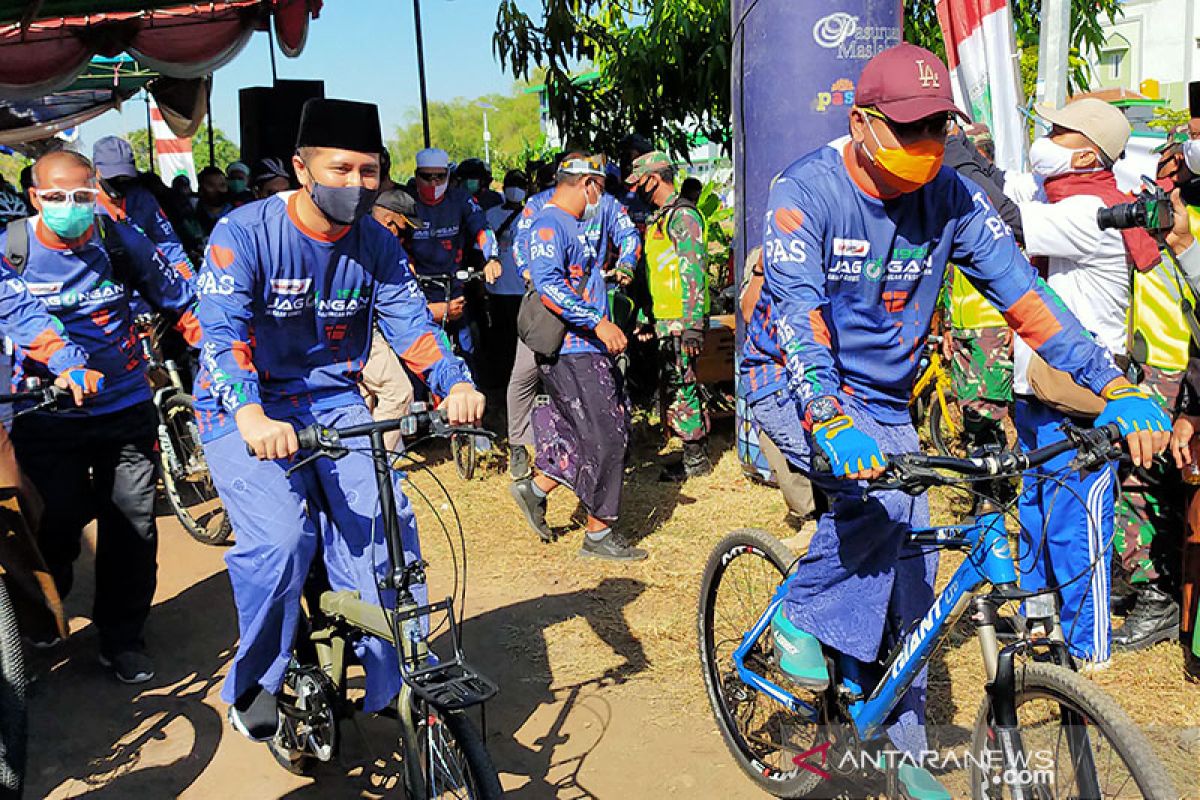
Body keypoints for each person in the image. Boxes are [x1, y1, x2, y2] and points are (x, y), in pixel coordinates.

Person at [741, 44, 1170, 794]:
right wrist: (827, 418)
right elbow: (799, 322)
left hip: (881, 396)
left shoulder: (953, 197)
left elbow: (1031, 306)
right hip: (794, 379)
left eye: (938, 128)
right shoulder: (803, 191)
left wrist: (1112, 383)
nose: (926, 146)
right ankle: (799, 615)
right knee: (886, 503)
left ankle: (900, 753)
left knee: (918, 585)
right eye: (909, 130)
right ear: (860, 122)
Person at [193, 98, 484, 741]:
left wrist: (454, 383)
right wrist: (247, 414)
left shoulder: (377, 243)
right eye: (340, 169)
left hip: (333, 401)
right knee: (281, 541)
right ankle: (254, 683)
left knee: (387, 526)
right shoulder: (242, 235)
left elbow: (413, 327)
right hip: (245, 408)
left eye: (369, 171)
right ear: (302, 169)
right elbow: (221, 337)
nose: (356, 184)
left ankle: (394, 675)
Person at [5, 150, 198, 684]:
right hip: (44, 416)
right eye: (57, 198)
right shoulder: (11, 252)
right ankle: (46, 601)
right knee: (54, 519)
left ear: (96, 194)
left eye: (82, 196)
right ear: (35, 198)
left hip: (124, 407)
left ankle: (122, 638)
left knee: (132, 524)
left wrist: (222, 365)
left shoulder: (119, 239)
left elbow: (181, 302)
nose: (71, 208)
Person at [1011, 98, 1173, 666]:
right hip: (1037, 389)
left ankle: (1088, 650)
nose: (1044, 138)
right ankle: (1038, 628)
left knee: (1076, 528)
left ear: (1084, 152)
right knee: (1032, 514)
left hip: (1079, 396)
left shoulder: (1091, 210)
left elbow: (1003, 221)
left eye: (1057, 131)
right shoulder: (1064, 197)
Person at [508, 155, 645, 561]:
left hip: (587, 347)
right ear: (587, 184)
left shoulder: (573, 224)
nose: (601, 198)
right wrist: (597, 321)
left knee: (584, 431)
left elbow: (622, 244)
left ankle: (535, 490)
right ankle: (599, 534)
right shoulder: (548, 224)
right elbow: (548, 286)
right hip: (572, 348)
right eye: (599, 189)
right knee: (608, 436)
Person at [627, 151, 713, 479]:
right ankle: (690, 451)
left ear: (654, 178)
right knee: (676, 384)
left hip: (682, 319)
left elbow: (694, 272)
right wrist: (649, 317)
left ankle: (695, 460)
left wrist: (692, 326)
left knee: (684, 385)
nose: (638, 190)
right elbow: (658, 272)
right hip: (666, 318)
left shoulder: (683, 217)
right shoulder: (661, 217)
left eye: (641, 183)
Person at [406, 147, 501, 361]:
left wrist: (492, 258)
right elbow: (393, 242)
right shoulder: (406, 200)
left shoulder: (460, 199)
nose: (433, 183)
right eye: (426, 177)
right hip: (418, 288)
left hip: (453, 285)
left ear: (448, 176)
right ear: (416, 175)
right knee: (417, 355)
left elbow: (481, 228)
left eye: (439, 177)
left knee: (467, 349)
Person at [359, 188, 425, 452]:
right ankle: (378, 465)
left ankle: (358, 462)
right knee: (398, 392)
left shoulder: (357, 234)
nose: (404, 236)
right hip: (362, 330)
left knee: (361, 397)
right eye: (403, 228)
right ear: (388, 220)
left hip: (347, 332)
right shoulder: (374, 244)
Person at [92, 135, 196, 282]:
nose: (120, 182)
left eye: (125, 176)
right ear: (97, 171)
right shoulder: (84, 203)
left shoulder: (142, 200)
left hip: (145, 282)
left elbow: (170, 246)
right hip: (103, 286)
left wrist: (193, 288)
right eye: (113, 177)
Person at [482, 169, 530, 394]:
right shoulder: (490, 214)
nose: (515, 189)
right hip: (497, 289)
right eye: (512, 184)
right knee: (500, 338)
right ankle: (500, 382)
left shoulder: (531, 214)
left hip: (522, 288)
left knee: (521, 337)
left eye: (519, 184)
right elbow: (480, 247)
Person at [193, 165, 231, 236]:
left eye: (222, 185)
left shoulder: (236, 213)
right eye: (211, 185)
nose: (218, 190)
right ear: (201, 189)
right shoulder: (192, 215)